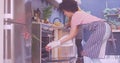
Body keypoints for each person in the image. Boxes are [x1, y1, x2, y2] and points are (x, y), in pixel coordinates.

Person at [45, 0, 111, 63]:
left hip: (101, 28)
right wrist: (55, 44)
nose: (64, 14)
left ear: (68, 9)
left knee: (87, 53)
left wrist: (54, 44)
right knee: (91, 55)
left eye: (64, 11)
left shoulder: (75, 16)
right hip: (105, 27)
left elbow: (71, 35)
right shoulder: (78, 14)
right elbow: (73, 34)